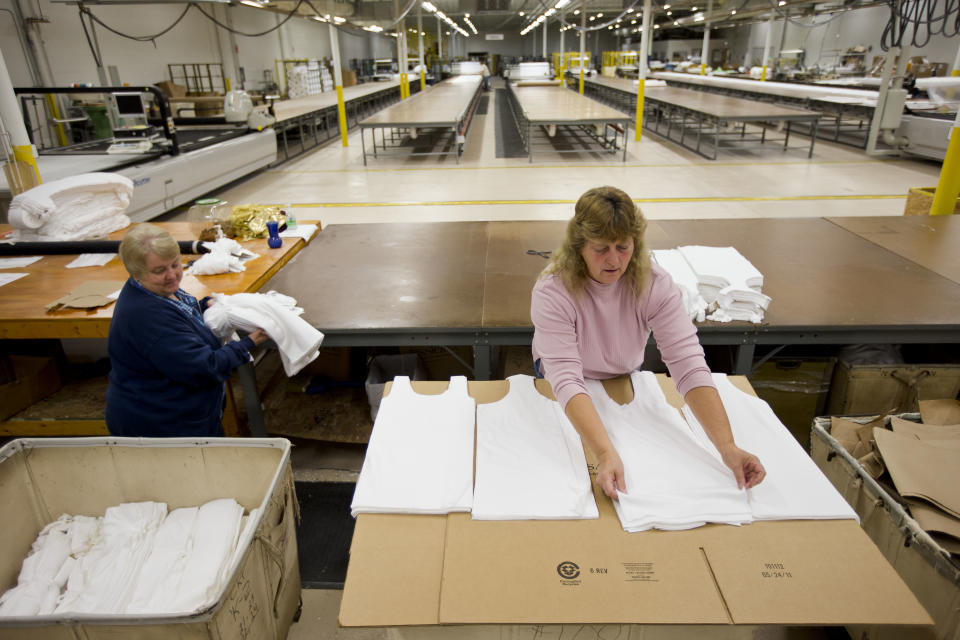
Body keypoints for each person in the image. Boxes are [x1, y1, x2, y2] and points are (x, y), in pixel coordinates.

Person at [531, 186, 766, 499]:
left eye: (623, 246)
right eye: (601, 248)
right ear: (579, 246)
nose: (614, 259)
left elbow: (688, 363)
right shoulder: (553, 290)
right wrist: (603, 453)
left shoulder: (654, 284)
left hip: (622, 373)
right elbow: (566, 378)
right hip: (565, 380)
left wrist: (727, 447)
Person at [105, 223, 269, 437]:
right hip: (162, 426)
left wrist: (202, 307)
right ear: (135, 273)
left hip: (185, 413)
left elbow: (179, 313)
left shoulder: (155, 289)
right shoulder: (147, 316)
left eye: (175, 265)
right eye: (159, 271)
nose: (172, 275)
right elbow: (205, 367)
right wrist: (247, 344)